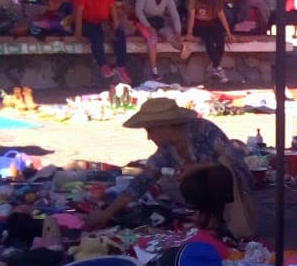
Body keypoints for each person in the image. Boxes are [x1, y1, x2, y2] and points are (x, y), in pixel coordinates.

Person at [84, 97, 256, 239]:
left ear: (166, 127)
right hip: (204, 189)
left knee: (216, 177)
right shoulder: (166, 151)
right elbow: (141, 183)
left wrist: (196, 167)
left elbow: (234, 159)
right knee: (189, 186)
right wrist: (107, 213)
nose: (149, 137)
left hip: (232, 185)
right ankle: (208, 214)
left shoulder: (203, 129)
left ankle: (219, 219)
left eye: (151, 131)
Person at [72, 0, 130, 81]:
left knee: (120, 34)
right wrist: (78, 32)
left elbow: (112, 7)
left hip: (102, 22)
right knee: (96, 35)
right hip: (85, 22)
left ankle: (121, 66)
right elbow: (78, 11)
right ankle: (103, 65)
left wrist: (115, 23)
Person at [134, 0, 184, 74]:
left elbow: (175, 15)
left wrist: (178, 31)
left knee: (170, 34)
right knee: (152, 37)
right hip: (142, 22)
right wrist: (148, 26)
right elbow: (138, 11)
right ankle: (154, 70)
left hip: (158, 22)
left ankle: (184, 49)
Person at [185, 0, 233, 82]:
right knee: (208, 39)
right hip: (199, 25)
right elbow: (191, 16)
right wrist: (189, 32)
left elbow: (221, 15)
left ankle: (216, 66)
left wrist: (228, 32)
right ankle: (218, 68)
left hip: (211, 23)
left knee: (220, 37)